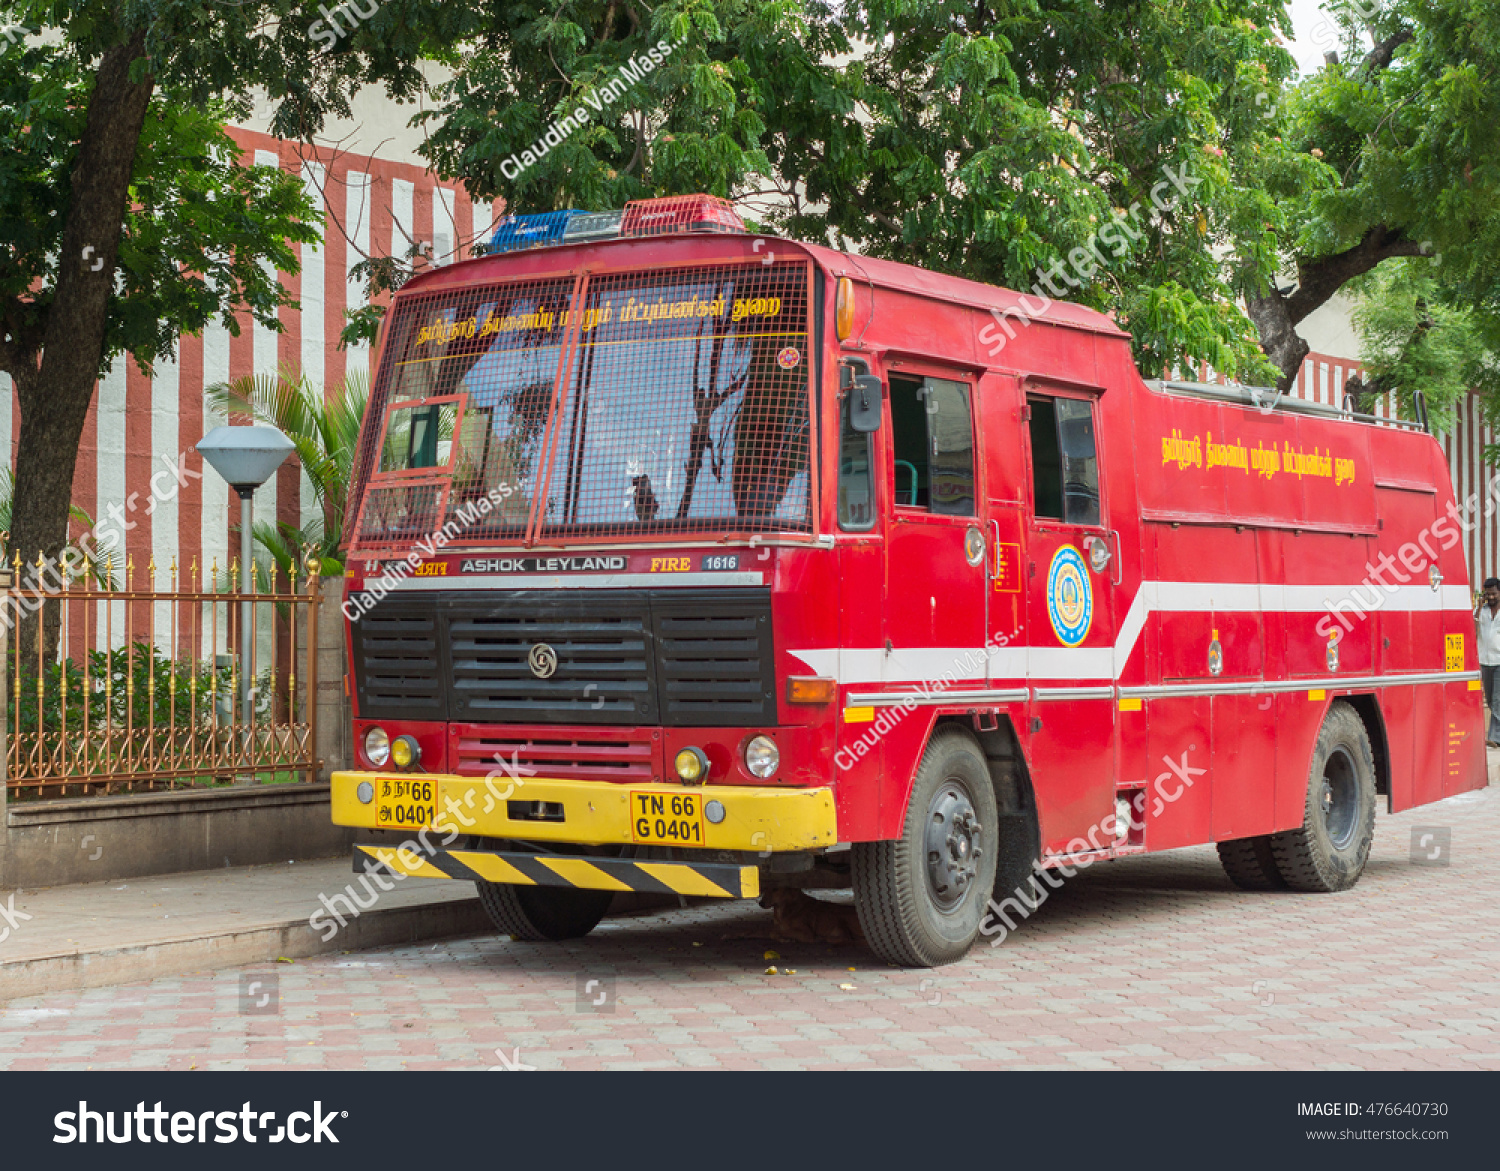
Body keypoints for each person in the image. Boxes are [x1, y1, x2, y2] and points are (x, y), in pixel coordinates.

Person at [1476, 577, 1500, 746]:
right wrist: (1478, 606)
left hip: (1499, 661)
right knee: (1491, 700)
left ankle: (1494, 737)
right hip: (1485, 661)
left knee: (1498, 699)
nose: (1491, 597)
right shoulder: (1482, 610)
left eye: (1493, 594)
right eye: (1488, 594)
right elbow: (1472, 625)